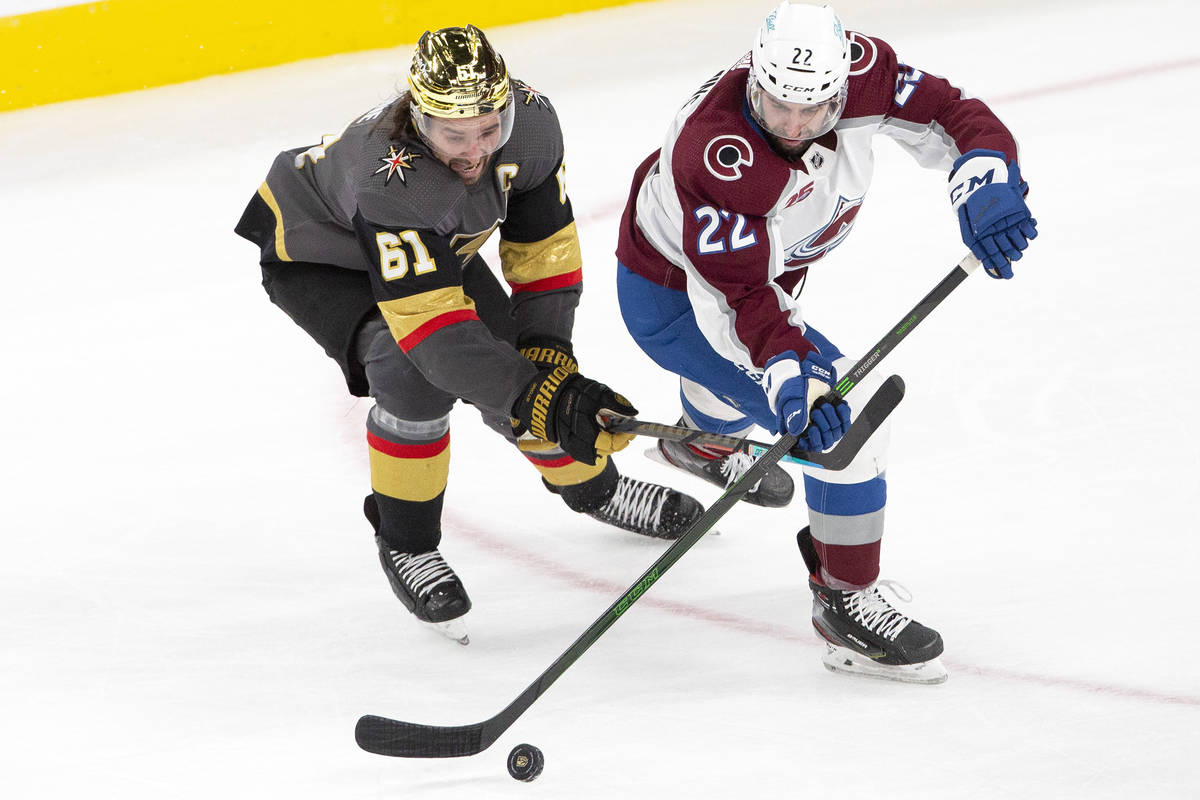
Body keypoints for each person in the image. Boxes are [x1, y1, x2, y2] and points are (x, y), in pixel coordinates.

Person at [235, 24, 704, 644]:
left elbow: (543, 251)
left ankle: (595, 490)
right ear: (417, 117)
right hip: (322, 257)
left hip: (433, 245)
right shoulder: (389, 178)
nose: (475, 150)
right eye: (453, 134)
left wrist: (550, 358)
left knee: (527, 368)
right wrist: (537, 395)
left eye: (489, 128)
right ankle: (406, 542)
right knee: (412, 375)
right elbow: (436, 337)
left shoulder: (532, 126)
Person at [615, 2, 1037, 683]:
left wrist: (985, 177)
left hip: (758, 279)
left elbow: (950, 113)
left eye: (811, 111)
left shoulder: (865, 72)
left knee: (758, 382)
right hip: (679, 298)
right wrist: (795, 376)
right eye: (777, 105)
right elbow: (741, 301)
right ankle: (845, 602)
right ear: (755, 78)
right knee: (850, 428)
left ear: (840, 89)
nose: (792, 126)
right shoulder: (717, 155)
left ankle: (703, 441)